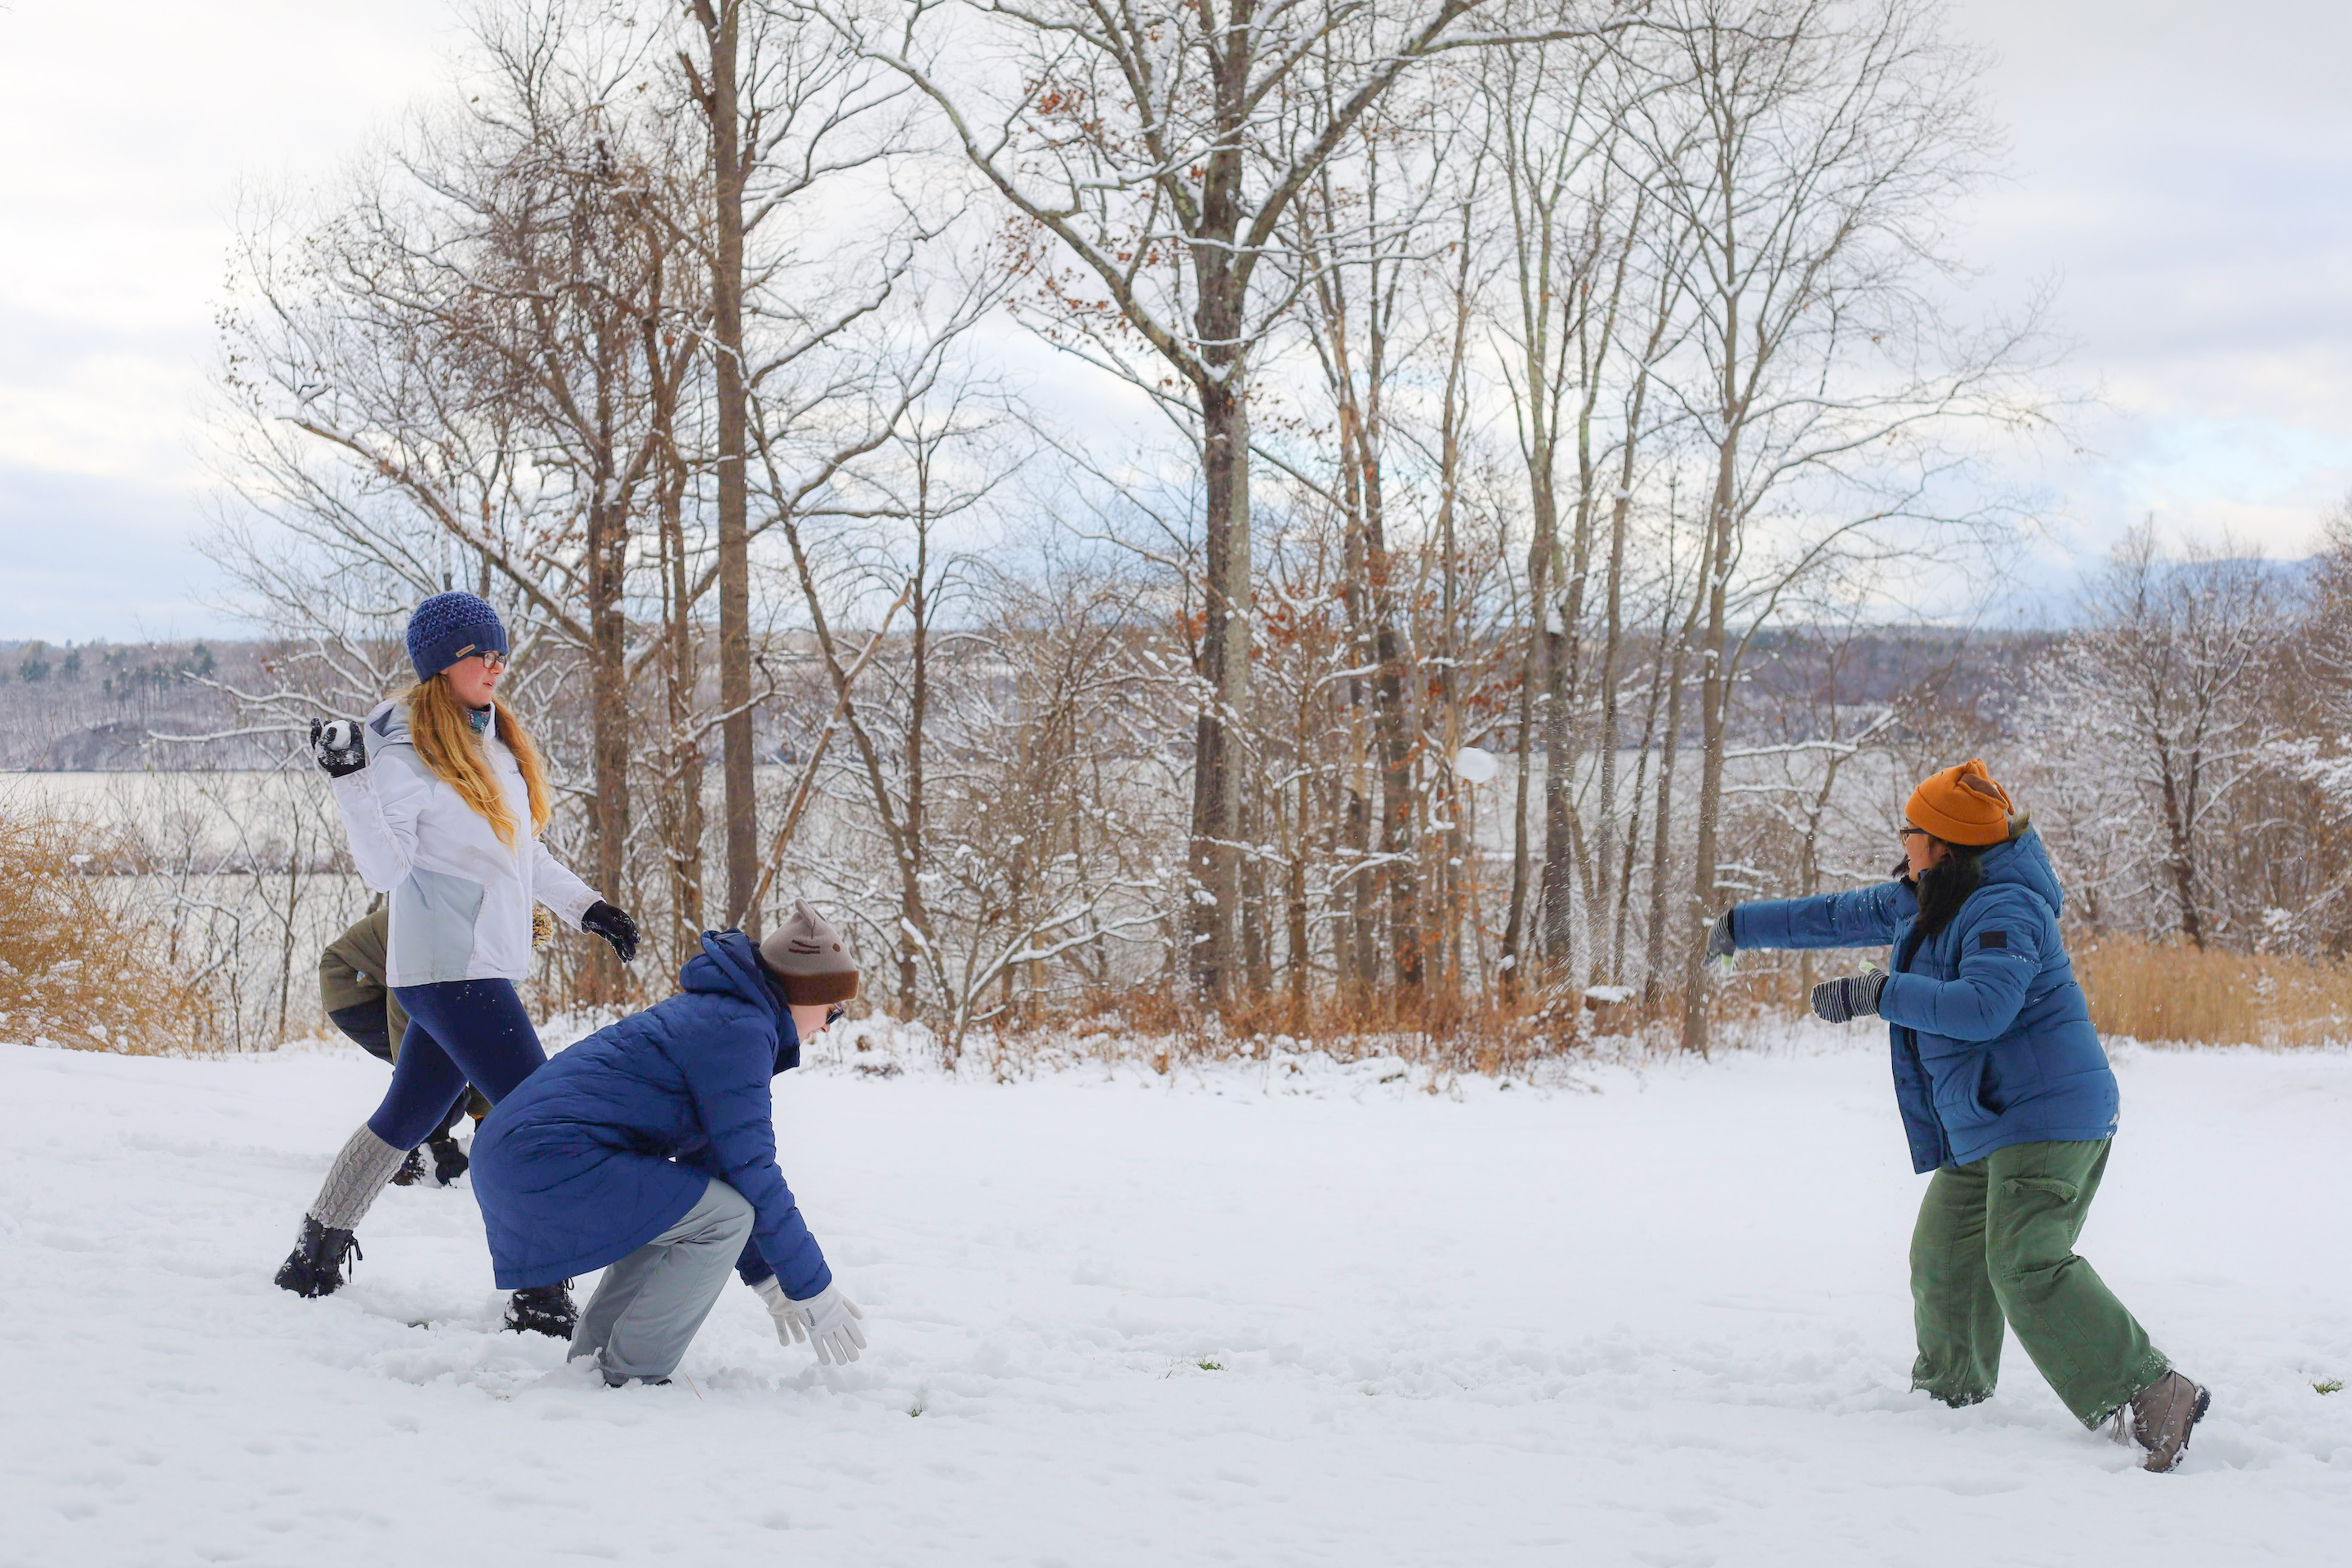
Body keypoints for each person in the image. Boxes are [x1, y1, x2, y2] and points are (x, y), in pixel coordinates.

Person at [1706, 759, 2210, 1472]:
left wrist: (1878, 994)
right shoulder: (1933, 894)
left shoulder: (2005, 908)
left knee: (2023, 1262)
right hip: (1988, 1119)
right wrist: (1738, 927)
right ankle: (1948, 1406)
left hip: (2047, 1117)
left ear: (1944, 841)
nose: (1904, 841)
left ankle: (2154, 1393)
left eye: (1911, 830)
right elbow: (1838, 915)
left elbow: (1985, 1007)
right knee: (1943, 1259)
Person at [274, 590, 642, 1341]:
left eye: (503, 653)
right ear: (443, 665)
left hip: (475, 964)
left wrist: (590, 908)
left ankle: (313, 1255)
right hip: (448, 966)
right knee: (535, 1115)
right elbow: (386, 866)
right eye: (484, 654)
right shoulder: (405, 748)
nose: (498, 667)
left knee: (405, 1118)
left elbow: (520, 853)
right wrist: (349, 780)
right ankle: (539, 1289)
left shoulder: (494, 742)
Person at [469, 902, 866, 1388]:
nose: (827, 1025)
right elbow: (754, 1172)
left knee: (684, 1207)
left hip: (519, 1154)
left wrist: (767, 1276)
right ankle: (633, 1374)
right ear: (805, 991)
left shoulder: (725, 1016)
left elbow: (718, 1165)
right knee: (725, 1219)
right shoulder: (740, 1030)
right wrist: (813, 1288)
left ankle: (592, 1361)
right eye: (833, 1010)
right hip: (544, 1158)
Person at [318, 904, 481, 1187]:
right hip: (350, 986)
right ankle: (411, 1158)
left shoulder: (475, 942)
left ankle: (420, 1140)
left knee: (449, 1079)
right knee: (433, 1069)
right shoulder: (431, 935)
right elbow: (403, 1022)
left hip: (385, 981)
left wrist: (485, 1120)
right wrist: (437, 1142)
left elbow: (482, 1036)